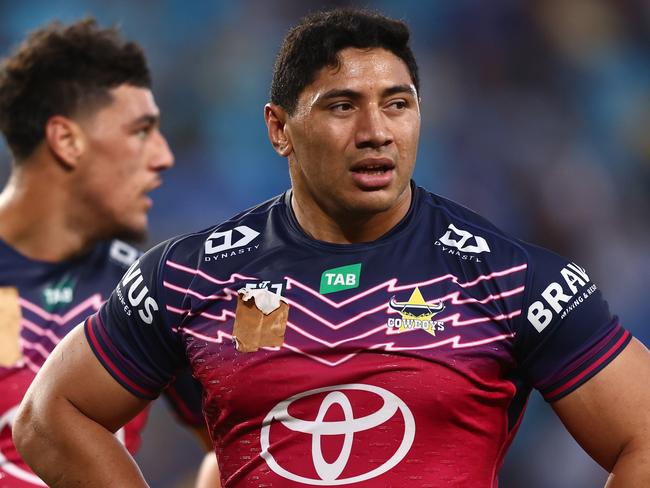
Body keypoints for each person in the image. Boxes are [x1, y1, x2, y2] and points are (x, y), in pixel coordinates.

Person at [14, 8, 650, 487]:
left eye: (396, 105)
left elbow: (642, 437)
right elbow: (49, 416)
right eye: (342, 106)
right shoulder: (192, 275)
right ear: (279, 129)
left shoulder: (511, 276)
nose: (376, 132)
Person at [0, 19, 218, 487]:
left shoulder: (151, 292)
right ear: (67, 140)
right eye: (141, 131)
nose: (163, 156)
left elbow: (240, 448)